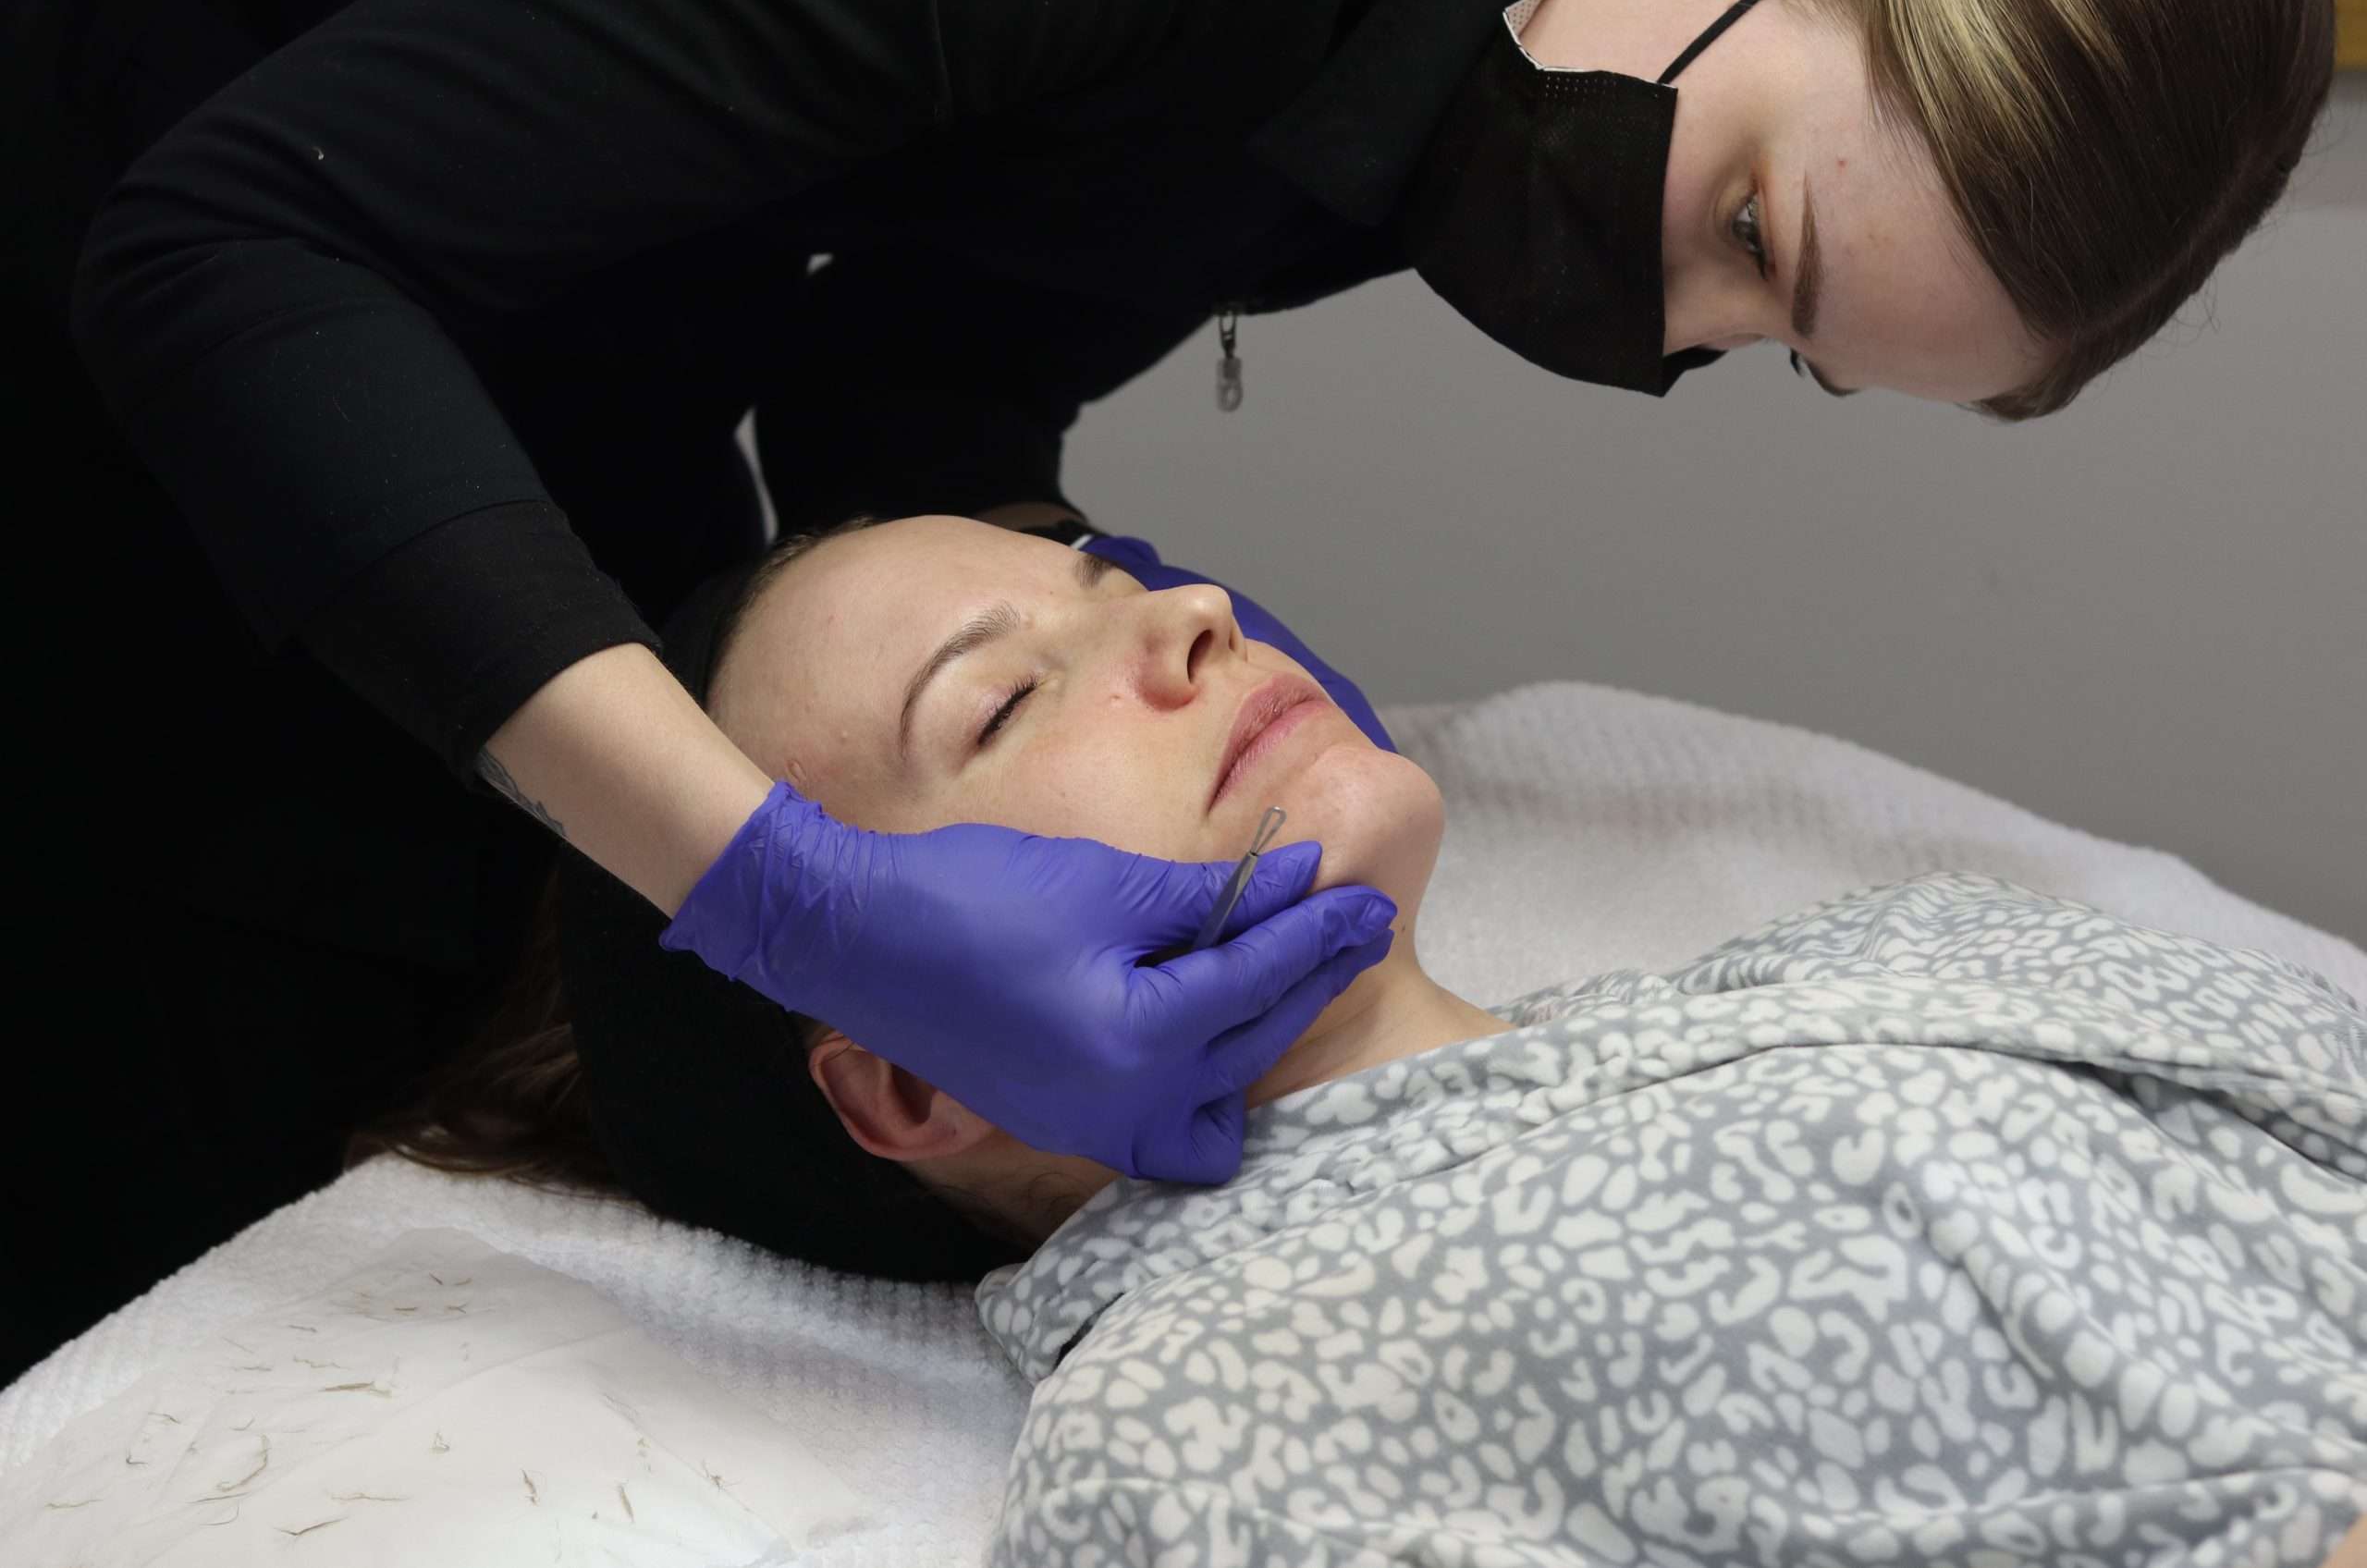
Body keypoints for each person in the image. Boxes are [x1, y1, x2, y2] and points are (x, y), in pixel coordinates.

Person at [0, 0, 2336, 1376]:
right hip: (136, 247)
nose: (1656, 334)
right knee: (267, 1003)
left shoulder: (1478, 46)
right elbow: (230, 249)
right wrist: (778, 891)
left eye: (1768, 354)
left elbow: (909, 369)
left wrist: (1068, 613)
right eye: (1747, 233)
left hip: (535, 282)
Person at [362, 511, 2367, 1566]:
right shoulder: (1195, 1440)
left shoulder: (1882, 948)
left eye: (1117, 580)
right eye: (996, 703)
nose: (1195, 615)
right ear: (905, 1073)